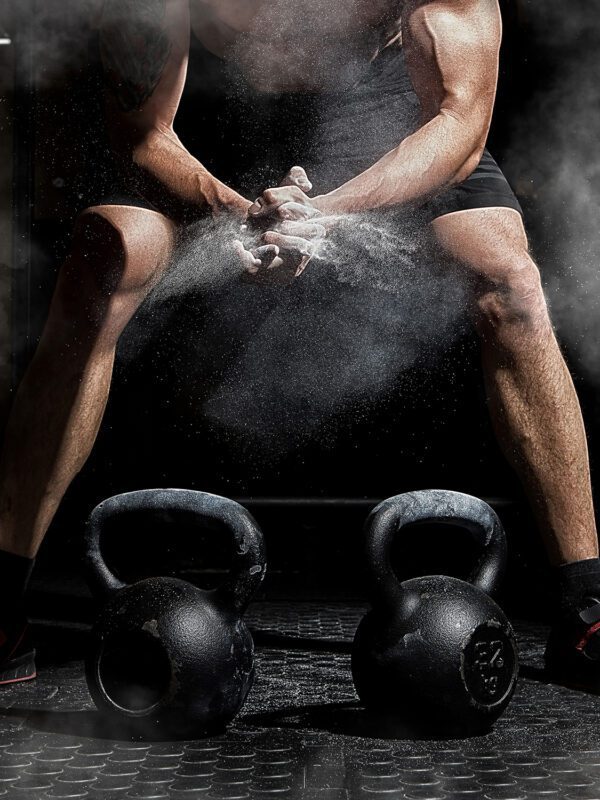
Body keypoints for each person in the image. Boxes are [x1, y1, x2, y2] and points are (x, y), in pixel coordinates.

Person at [0, 0, 597, 690]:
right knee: (101, 262)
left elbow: (459, 127)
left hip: (386, 136)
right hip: (204, 135)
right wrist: (242, 214)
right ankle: (5, 599)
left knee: (509, 278)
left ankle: (588, 606)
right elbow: (143, 132)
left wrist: (323, 216)